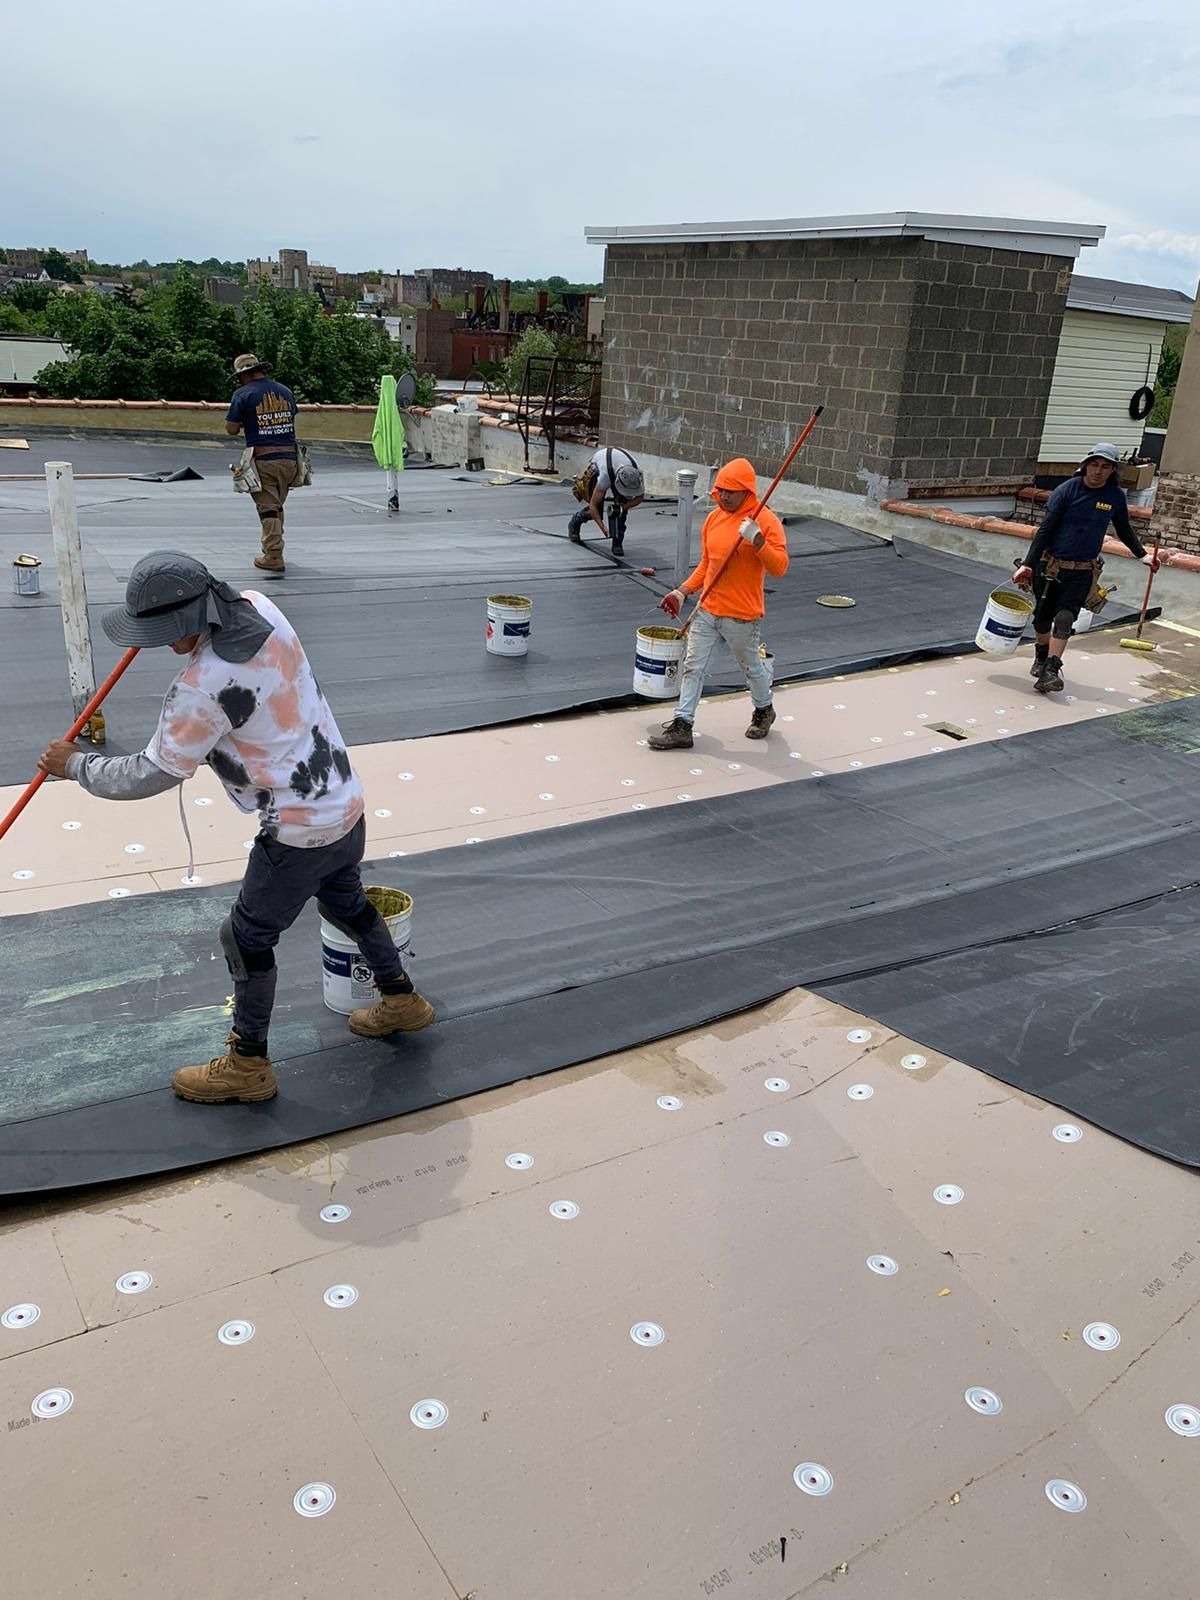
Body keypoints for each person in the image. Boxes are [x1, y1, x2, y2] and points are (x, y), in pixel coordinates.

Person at [37, 551, 435, 1105]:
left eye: (166, 632)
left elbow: (150, 772)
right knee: (345, 901)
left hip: (297, 830)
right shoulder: (260, 607)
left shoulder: (201, 687)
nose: (160, 643)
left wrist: (75, 765)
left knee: (245, 938)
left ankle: (247, 1065)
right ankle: (402, 998)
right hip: (344, 802)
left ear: (192, 617)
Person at [648, 457, 787, 750]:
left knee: (751, 668)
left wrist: (758, 541)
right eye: (720, 489)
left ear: (746, 492)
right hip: (707, 608)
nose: (723, 496)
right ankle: (682, 724)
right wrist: (682, 592)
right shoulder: (714, 518)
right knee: (692, 666)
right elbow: (707, 565)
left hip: (742, 615)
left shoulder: (765, 521)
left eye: (730, 491)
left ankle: (764, 709)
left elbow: (780, 568)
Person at [1014, 442, 1170, 694]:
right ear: (1086, 465)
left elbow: (1123, 528)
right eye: (1094, 465)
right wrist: (1028, 566)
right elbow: (1045, 531)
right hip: (1050, 565)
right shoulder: (1067, 491)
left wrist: (1143, 556)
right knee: (1042, 619)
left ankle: (1051, 670)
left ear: (1112, 470)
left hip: (1083, 569)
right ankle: (1041, 657)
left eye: (1105, 466)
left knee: (1065, 617)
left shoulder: (1115, 496)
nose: (1098, 471)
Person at [225, 352, 300, 575]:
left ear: (243, 375)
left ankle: (273, 555)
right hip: (290, 460)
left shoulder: (243, 394)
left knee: (267, 509)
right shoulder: (285, 391)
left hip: (264, 460)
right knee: (276, 506)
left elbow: (230, 429)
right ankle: (275, 547)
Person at [568, 446, 645, 556]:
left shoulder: (637, 475)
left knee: (621, 507)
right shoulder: (605, 476)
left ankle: (617, 542)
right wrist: (602, 527)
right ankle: (575, 521)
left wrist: (626, 506)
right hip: (600, 466)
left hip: (618, 467)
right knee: (596, 510)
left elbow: (640, 497)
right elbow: (593, 505)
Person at [372, 372, 405, 515]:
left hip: (388, 448)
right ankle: (393, 499)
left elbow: (376, 434)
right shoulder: (391, 410)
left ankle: (392, 499)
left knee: (390, 471)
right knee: (392, 471)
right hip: (394, 448)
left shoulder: (385, 409)